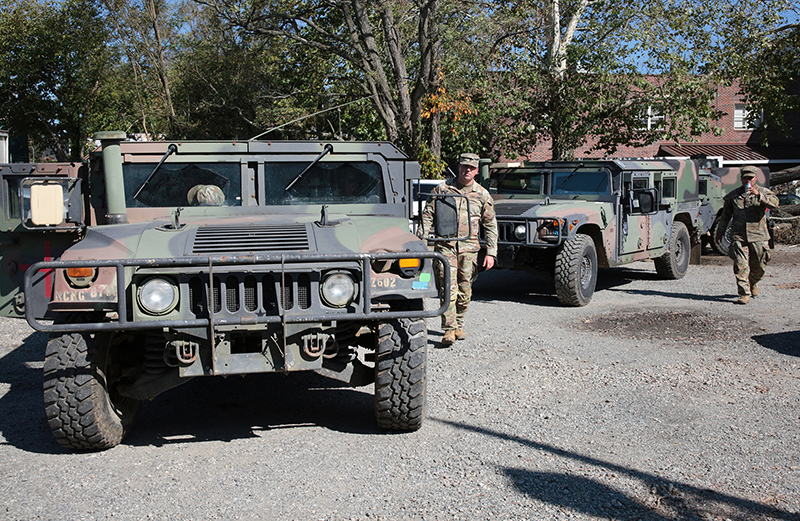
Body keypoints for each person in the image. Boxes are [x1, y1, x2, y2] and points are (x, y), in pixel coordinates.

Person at [419, 153, 498, 346]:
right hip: (445, 248)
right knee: (447, 288)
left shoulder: (482, 194)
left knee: (465, 290)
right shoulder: (442, 189)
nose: (467, 170)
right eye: (464, 167)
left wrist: (491, 252)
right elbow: (427, 215)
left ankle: (459, 323)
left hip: (469, 250)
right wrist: (420, 242)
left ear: (477, 171)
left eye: (471, 168)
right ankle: (448, 329)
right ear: (459, 166)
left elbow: (490, 224)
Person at [715, 165, 779, 304]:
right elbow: (725, 216)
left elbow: (775, 205)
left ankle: (753, 281)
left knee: (760, 265)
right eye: (745, 177)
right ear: (741, 178)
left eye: (750, 177)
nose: (747, 180)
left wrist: (758, 195)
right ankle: (744, 293)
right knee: (740, 264)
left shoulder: (764, 192)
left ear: (756, 178)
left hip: (758, 235)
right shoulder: (733, 196)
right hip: (739, 235)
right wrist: (719, 233)